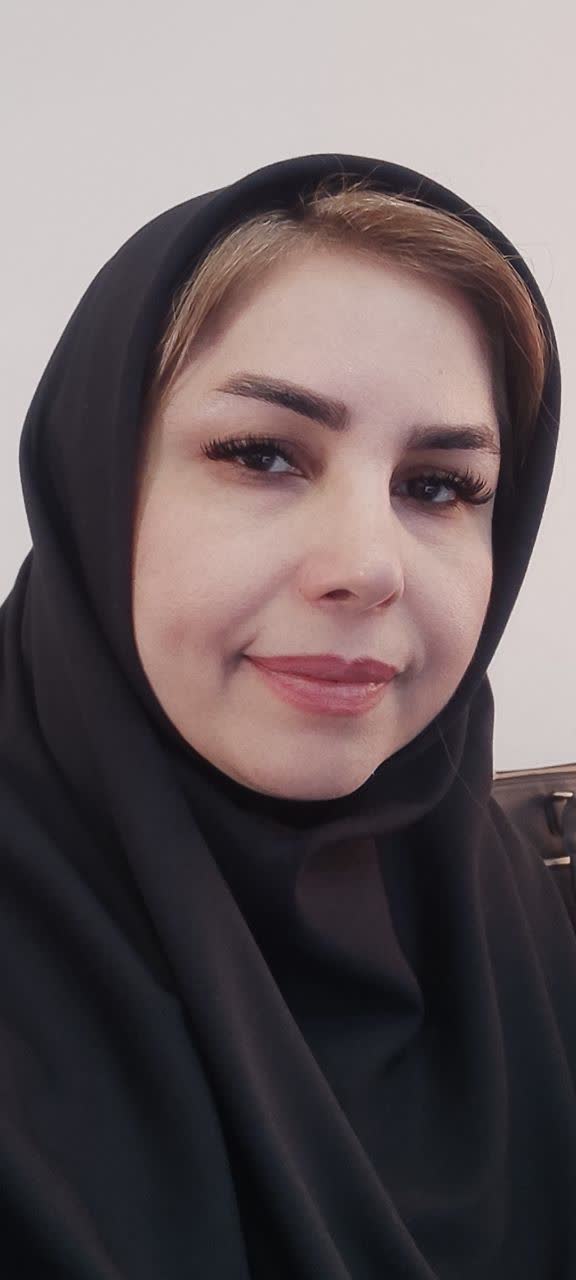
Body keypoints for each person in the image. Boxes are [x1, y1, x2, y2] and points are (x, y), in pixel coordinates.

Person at [0, 151, 574, 1278]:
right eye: (261, 454)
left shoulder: (494, 891)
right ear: (95, 481)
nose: (369, 566)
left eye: (439, 485)